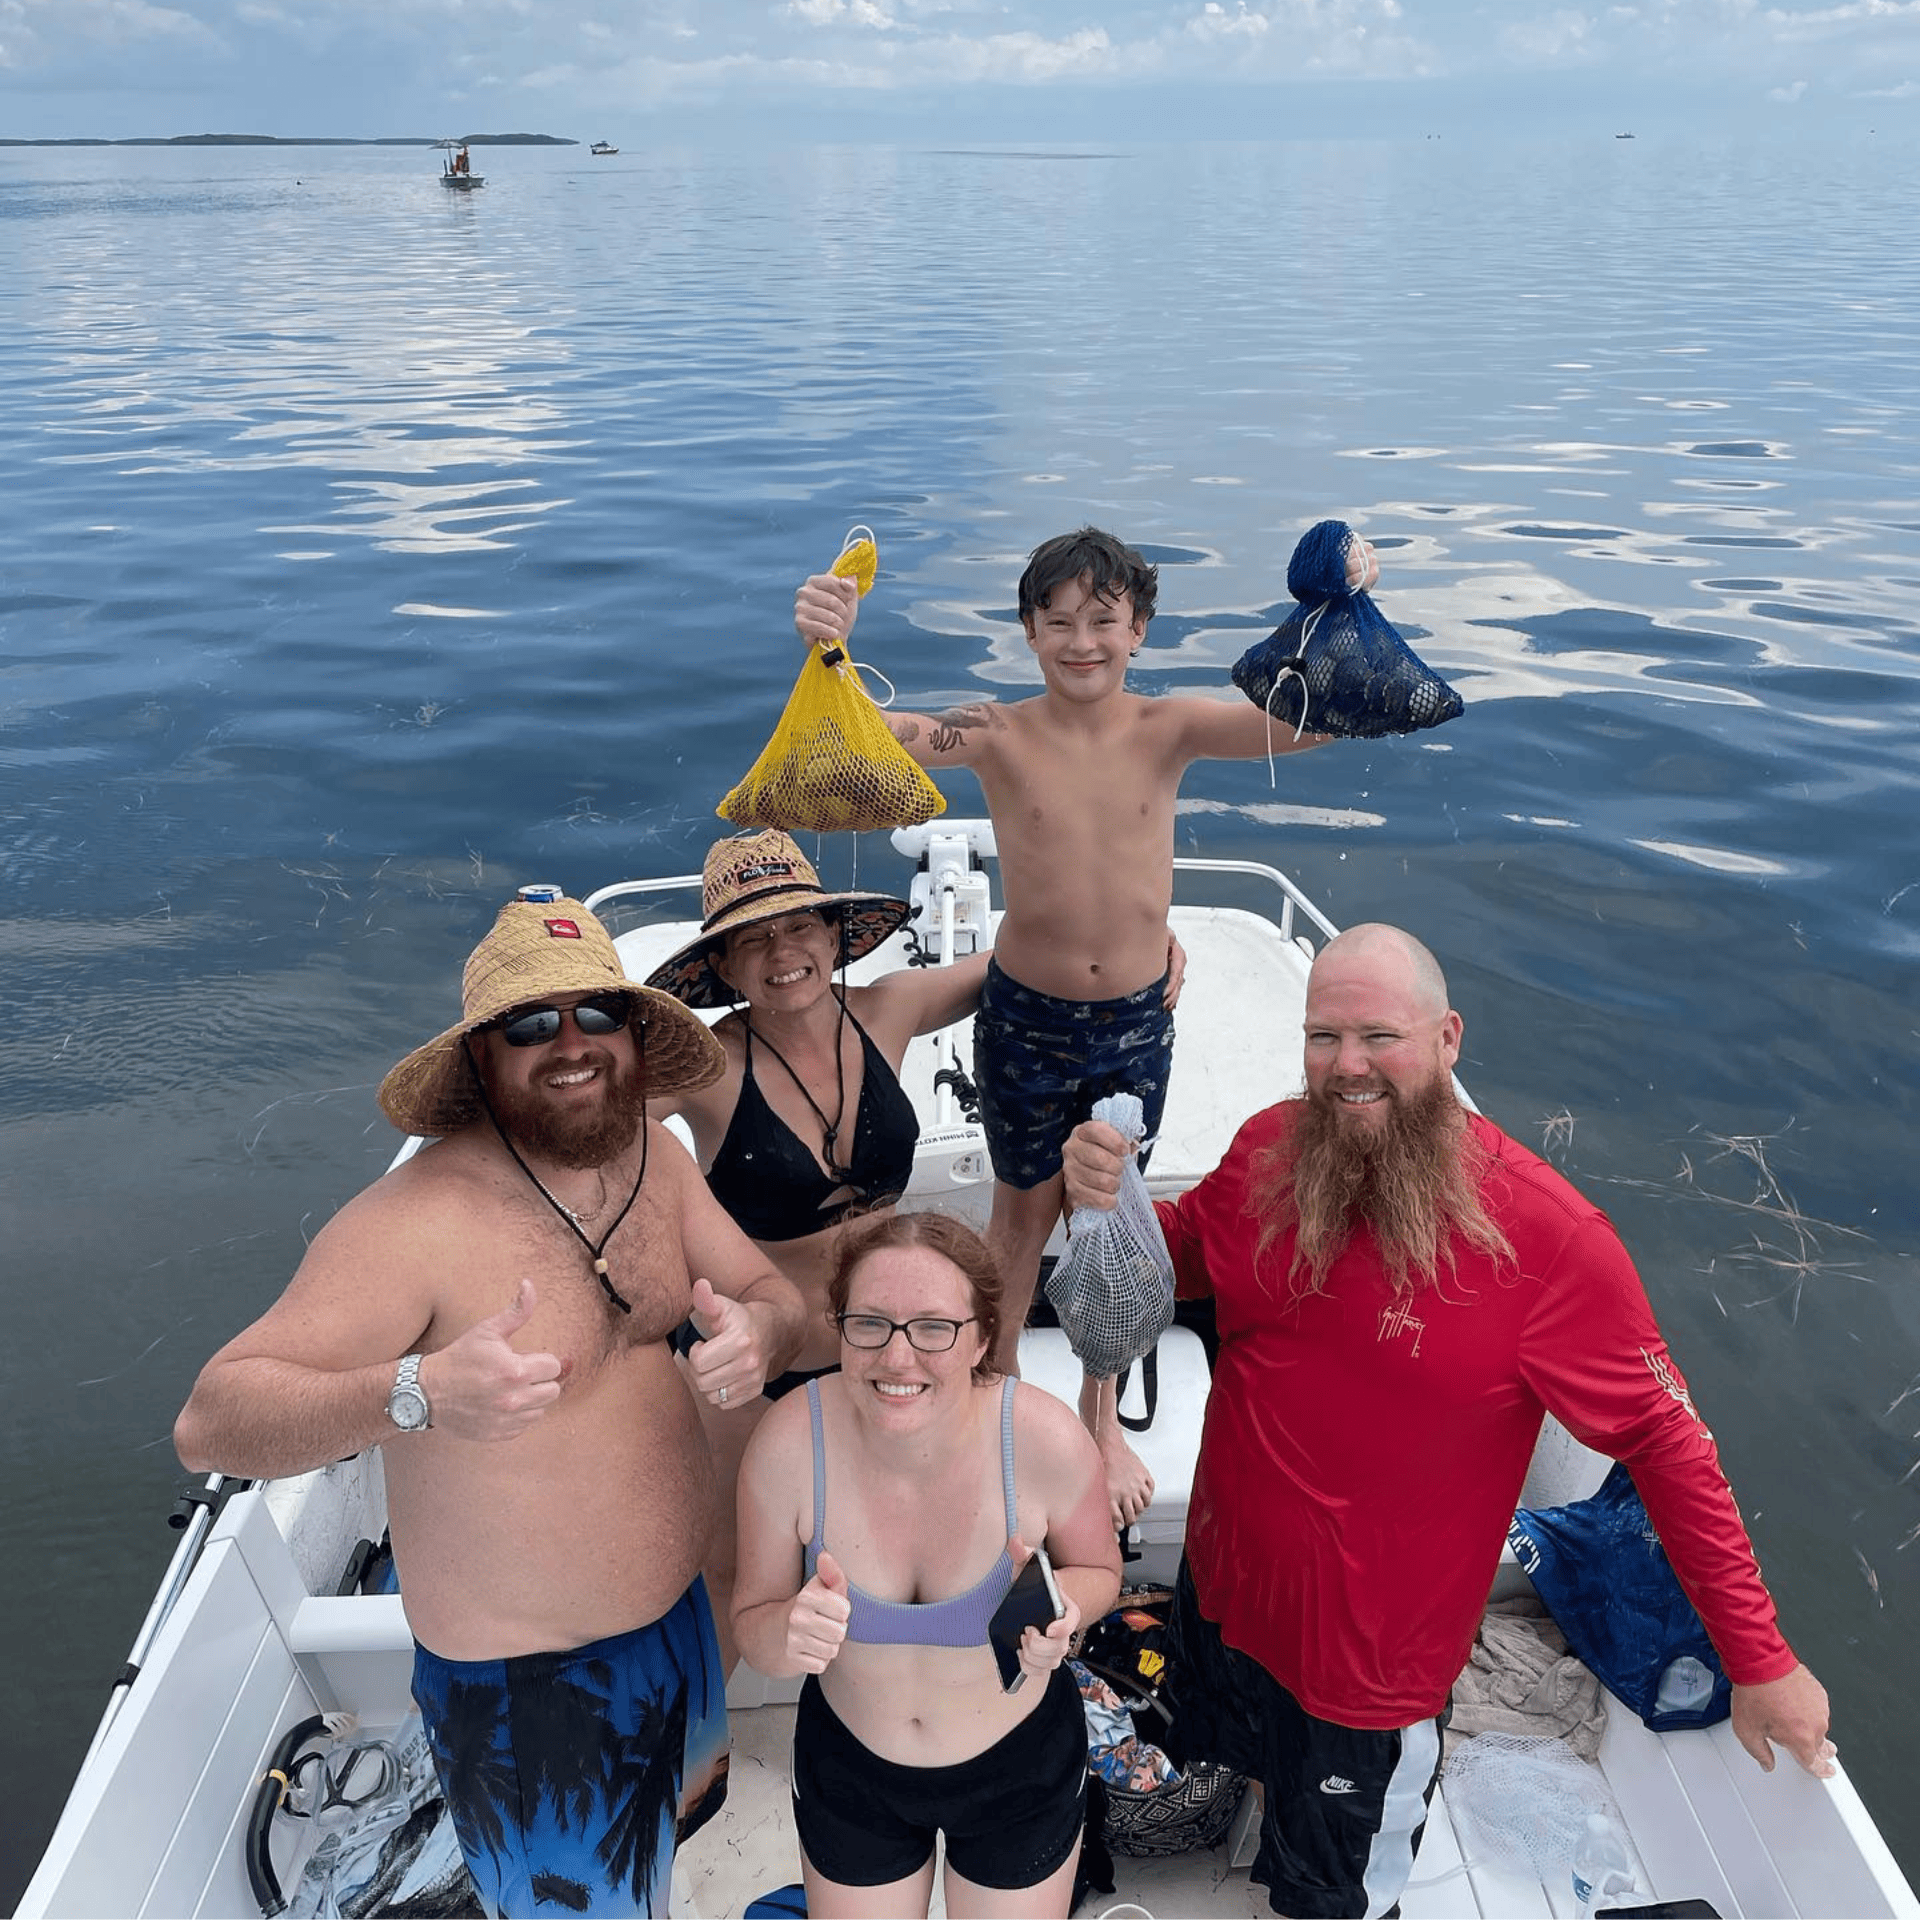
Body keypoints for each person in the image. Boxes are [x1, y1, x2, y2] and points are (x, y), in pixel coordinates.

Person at [1059, 921, 1836, 1920]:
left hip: (1369, 1665)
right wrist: (1108, 1196)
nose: (1347, 1068)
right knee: (1244, 1760)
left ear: (1449, 1039)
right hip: (1225, 1588)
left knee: (1333, 1889)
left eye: (1380, 1037)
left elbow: (1668, 1446)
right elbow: (1183, 1258)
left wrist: (1760, 1660)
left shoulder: (1550, 1241)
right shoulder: (1266, 1150)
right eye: (1322, 1039)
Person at [174, 890, 807, 1919]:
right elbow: (215, 1418)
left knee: (668, 1843)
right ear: (480, 1058)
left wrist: (759, 1335)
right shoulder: (411, 1223)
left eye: (597, 1016)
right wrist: (418, 1391)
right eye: (529, 1024)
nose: (571, 1046)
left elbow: (777, 1297)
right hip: (530, 1703)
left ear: (634, 1035)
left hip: (676, 1630)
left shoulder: (658, 1162)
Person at [794, 525, 1374, 1527]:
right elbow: (882, 735)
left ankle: (1101, 1419)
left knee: (1109, 1214)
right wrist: (830, 649)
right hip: (1026, 1019)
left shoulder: (1171, 727)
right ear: (1027, 632)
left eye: (1102, 620)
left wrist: (1347, 604)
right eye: (1057, 621)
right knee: (1021, 1214)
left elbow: (1312, 725)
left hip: (1135, 1028)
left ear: (1139, 629)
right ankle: (1000, 1394)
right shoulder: (1000, 733)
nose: (1081, 641)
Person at [644, 827, 1182, 1650]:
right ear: (722, 968)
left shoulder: (887, 1008)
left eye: (798, 928)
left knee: (890, 1554)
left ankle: (893, 1707)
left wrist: (1141, 953)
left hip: (888, 1351)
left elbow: (1026, 965)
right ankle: (712, 1761)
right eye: (752, 940)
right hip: (760, 1365)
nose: (782, 952)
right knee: (735, 1575)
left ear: (834, 934)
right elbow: (592, 1124)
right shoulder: (708, 1068)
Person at [731, 1210, 1121, 1919]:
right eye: (870, 1323)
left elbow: (1101, 1571)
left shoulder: (1046, 1440)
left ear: (981, 1338)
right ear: (839, 1327)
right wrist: (787, 1635)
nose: (898, 1358)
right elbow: (751, 1621)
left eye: (934, 1328)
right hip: (852, 1773)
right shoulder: (788, 1441)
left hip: (1019, 1773)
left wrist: (1062, 1605)